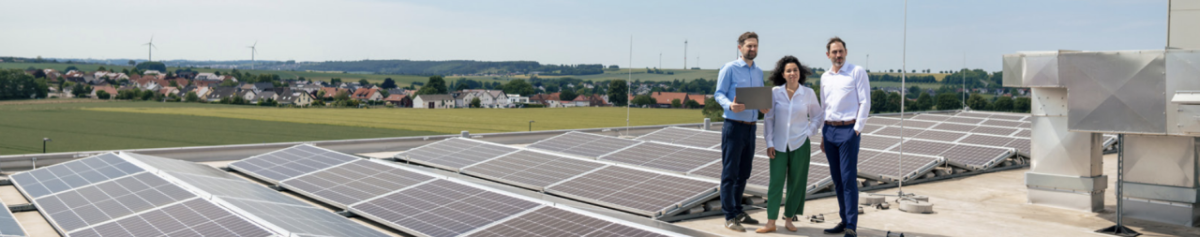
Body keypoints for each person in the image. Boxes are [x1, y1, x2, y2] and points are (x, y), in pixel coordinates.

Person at [757, 56, 823, 233]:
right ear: (783, 74)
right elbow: (769, 119)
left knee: (797, 183)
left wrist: (810, 132)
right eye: (789, 71)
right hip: (778, 144)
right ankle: (771, 222)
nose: (792, 73)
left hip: (800, 144)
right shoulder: (774, 93)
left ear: (800, 73)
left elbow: (817, 116)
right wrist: (769, 142)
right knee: (775, 183)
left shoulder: (808, 93)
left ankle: (789, 219)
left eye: (795, 70)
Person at [713, 31, 764, 232]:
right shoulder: (729, 69)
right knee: (730, 173)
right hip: (733, 127)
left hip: (751, 128)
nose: (752, 49)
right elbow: (718, 94)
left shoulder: (758, 72)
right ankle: (729, 216)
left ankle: (738, 210)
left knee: (744, 173)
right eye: (749, 46)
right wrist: (729, 106)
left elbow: (758, 98)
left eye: (755, 46)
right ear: (740, 47)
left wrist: (763, 107)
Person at [819, 37, 869, 237]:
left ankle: (851, 226)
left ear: (846, 52)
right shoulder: (825, 77)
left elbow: (865, 102)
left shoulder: (857, 72)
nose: (838, 55)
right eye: (834, 52)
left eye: (841, 51)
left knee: (848, 179)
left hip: (848, 130)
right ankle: (843, 220)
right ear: (828, 55)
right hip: (829, 131)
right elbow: (824, 106)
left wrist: (856, 129)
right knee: (837, 179)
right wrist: (823, 134)